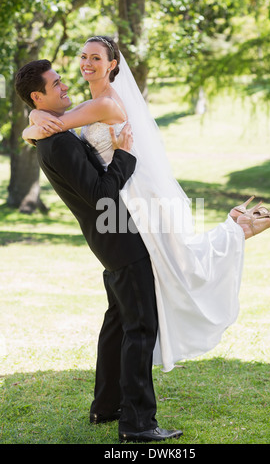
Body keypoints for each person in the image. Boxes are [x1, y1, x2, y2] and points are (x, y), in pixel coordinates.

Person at [15, 59, 183, 443]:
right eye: (56, 84)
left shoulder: (52, 130)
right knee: (140, 327)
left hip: (110, 236)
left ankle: (106, 407)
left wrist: (34, 119)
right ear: (39, 95)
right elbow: (102, 196)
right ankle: (138, 425)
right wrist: (124, 153)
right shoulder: (55, 141)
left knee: (118, 321)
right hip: (118, 238)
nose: (65, 86)